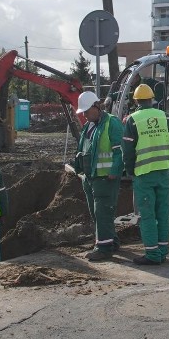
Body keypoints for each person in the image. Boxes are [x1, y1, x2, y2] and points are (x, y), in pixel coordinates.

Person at [123, 83, 169, 266]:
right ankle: (163, 251)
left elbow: (128, 151)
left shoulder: (133, 120)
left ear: (136, 101)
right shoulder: (165, 116)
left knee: (147, 215)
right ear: (152, 99)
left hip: (144, 174)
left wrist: (130, 171)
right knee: (163, 213)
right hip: (163, 171)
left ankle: (152, 254)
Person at [74, 90, 124, 262]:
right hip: (91, 177)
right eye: (84, 112)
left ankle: (103, 248)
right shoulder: (89, 127)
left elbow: (120, 150)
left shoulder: (112, 123)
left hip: (105, 177)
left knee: (102, 212)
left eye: (87, 111)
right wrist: (78, 167)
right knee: (96, 214)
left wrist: (115, 171)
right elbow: (84, 149)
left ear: (97, 106)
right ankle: (111, 241)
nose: (85, 115)